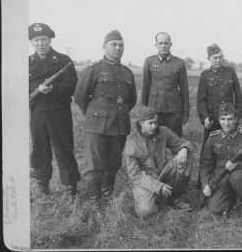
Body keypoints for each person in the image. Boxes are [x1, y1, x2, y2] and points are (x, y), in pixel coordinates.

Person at [74, 30, 137, 209]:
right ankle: (94, 200)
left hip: (119, 124)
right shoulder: (93, 69)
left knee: (113, 162)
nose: (118, 48)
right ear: (104, 47)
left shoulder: (127, 73)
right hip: (96, 124)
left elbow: (131, 100)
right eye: (114, 45)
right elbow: (80, 96)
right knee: (95, 164)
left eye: (121, 45)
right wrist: (94, 113)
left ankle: (106, 195)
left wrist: (118, 113)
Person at [29, 23, 80, 199]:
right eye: (36, 40)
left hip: (59, 113)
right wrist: (37, 88)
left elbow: (73, 85)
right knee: (39, 151)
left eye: (43, 39)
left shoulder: (63, 61)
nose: (40, 43)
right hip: (38, 113)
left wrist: (54, 89)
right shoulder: (27, 63)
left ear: (50, 40)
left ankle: (69, 189)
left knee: (64, 150)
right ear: (31, 42)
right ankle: (42, 188)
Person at [123, 105, 194, 218]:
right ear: (141, 123)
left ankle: (174, 197)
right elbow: (135, 176)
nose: (154, 126)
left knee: (187, 155)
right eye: (150, 123)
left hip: (164, 171)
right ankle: (158, 199)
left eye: (156, 122)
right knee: (146, 211)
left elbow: (183, 143)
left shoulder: (163, 131)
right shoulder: (132, 143)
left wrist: (184, 149)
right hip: (146, 179)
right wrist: (158, 187)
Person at [196, 44, 242, 188]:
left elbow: (238, 95)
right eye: (215, 58)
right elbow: (201, 100)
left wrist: (240, 114)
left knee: (233, 148)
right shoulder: (205, 76)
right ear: (209, 59)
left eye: (220, 57)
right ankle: (202, 181)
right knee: (207, 151)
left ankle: (232, 180)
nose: (218, 60)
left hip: (228, 120)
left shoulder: (230, 73)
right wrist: (204, 117)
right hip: (212, 121)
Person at [200, 103, 242, 218]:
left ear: (236, 119)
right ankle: (231, 198)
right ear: (219, 120)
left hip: (239, 174)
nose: (226, 123)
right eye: (223, 119)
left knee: (238, 178)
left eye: (230, 119)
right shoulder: (213, 137)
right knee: (214, 210)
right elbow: (205, 164)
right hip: (220, 177)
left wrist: (237, 165)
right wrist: (205, 184)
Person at [141, 32, 189, 137]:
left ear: (170, 44)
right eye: (160, 43)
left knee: (175, 140)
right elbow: (145, 88)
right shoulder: (149, 61)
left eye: (166, 43)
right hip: (154, 109)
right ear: (156, 45)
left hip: (174, 110)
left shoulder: (179, 63)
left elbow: (184, 90)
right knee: (154, 141)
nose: (163, 46)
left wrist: (185, 113)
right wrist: (143, 111)